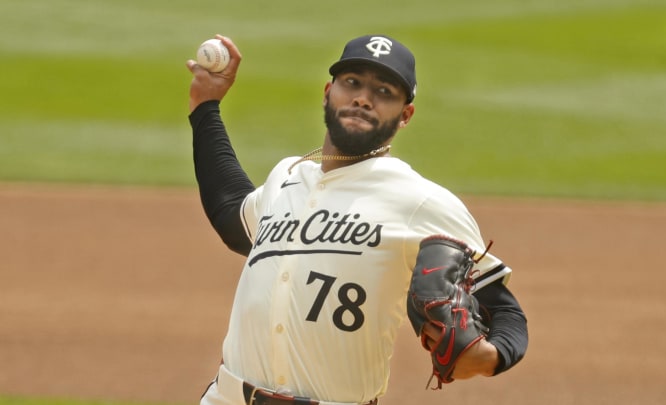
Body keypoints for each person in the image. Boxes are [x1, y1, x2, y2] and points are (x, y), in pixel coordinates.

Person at [186, 34, 528, 405]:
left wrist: (491, 357)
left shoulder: (421, 201)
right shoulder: (288, 177)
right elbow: (232, 216)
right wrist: (205, 107)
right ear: (328, 92)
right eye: (352, 83)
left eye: (384, 91)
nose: (363, 98)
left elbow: (505, 310)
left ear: (405, 115)